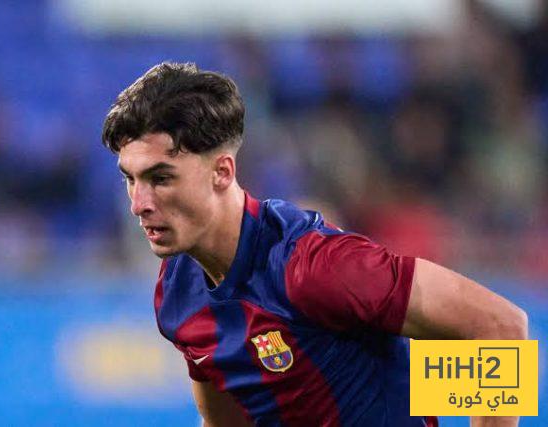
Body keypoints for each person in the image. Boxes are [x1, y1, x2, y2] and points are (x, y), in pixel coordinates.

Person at [101, 62, 528, 427]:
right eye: (130, 179)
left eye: (161, 178)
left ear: (222, 172)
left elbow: (499, 327)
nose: (139, 204)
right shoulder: (177, 293)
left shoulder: (313, 266)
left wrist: (413, 385)